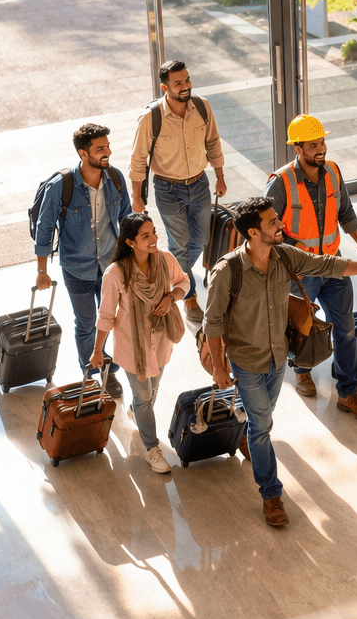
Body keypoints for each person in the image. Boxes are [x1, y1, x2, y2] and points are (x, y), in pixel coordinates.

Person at [203, 197, 357, 528]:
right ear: (253, 232)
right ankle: (271, 494)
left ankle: (250, 434)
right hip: (246, 361)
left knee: (262, 417)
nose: (281, 226)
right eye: (273, 222)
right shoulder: (228, 271)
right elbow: (212, 323)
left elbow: (328, 265)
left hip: (279, 358)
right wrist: (220, 367)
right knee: (263, 425)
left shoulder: (284, 256)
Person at [266, 114, 357, 416]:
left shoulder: (332, 173)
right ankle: (302, 370)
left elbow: (346, 212)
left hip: (333, 265)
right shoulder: (281, 183)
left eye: (322, 142)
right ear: (298, 148)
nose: (321, 149)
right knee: (305, 328)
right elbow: (268, 229)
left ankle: (348, 391)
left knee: (345, 329)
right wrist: (297, 247)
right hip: (300, 272)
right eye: (314, 145)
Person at [34, 122, 131, 399]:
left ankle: (107, 363)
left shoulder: (115, 178)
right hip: (77, 267)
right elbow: (44, 228)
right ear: (82, 153)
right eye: (100, 148)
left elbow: (126, 219)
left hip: (111, 265)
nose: (107, 152)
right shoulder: (61, 186)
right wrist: (42, 271)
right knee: (87, 321)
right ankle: (91, 371)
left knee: (113, 317)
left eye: (108, 146)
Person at [128, 60, 227, 329]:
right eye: (178, 83)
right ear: (165, 87)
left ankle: (171, 273)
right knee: (180, 242)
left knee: (202, 239)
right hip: (168, 188)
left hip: (199, 184)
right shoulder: (152, 117)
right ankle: (189, 295)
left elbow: (213, 142)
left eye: (187, 80)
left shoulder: (203, 108)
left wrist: (219, 175)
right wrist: (136, 197)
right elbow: (138, 159)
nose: (185, 87)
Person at [89, 215, 190, 474]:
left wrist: (171, 297)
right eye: (146, 236)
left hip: (161, 343)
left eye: (154, 232)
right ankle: (150, 447)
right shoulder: (116, 273)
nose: (154, 239)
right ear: (131, 242)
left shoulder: (165, 260)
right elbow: (106, 315)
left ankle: (137, 411)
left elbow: (184, 282)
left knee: (152, 391)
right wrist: (98, 350)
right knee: (145, 396)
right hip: (132, 348)